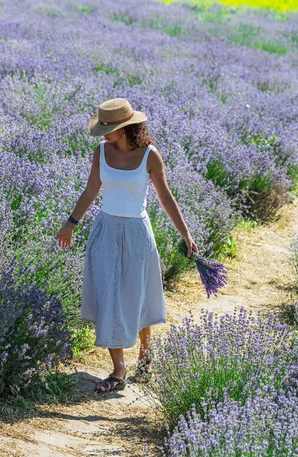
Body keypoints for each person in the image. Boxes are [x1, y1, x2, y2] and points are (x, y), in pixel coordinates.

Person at [55, 98, 198, 393]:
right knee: (109, 295)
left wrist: (185, 233)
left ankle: (146, 356)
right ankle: (118, 369)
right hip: (106, 230)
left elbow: (165, 198)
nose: (103, 133)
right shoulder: (101, 152)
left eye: (108, 128)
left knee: (139, 293)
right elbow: (91, 190)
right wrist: (70, 222)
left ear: (124, 128)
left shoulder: (150, 156)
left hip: (136, 232)